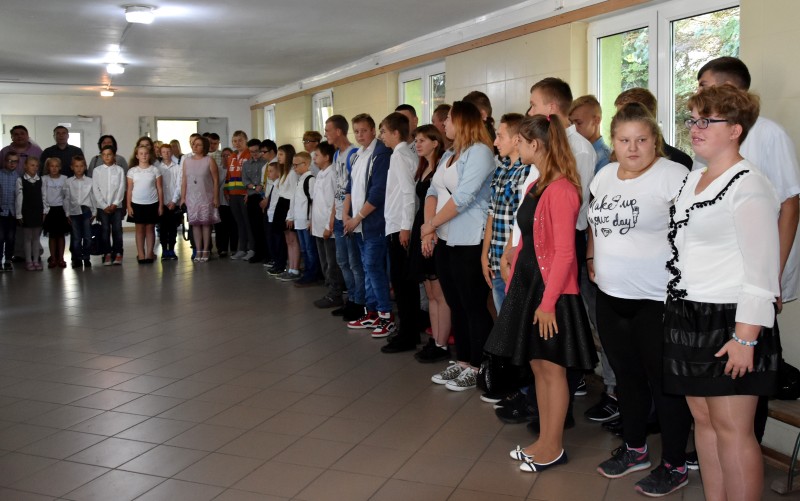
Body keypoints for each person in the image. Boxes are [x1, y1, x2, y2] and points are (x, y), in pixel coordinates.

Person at [664, 84, 780, 501]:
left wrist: (745, 339)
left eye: (707, 121)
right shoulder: (695, 178)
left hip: (732, 320)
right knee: (704, 422)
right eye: (693, 119)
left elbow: (762, 270)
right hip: (688, 314)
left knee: (733, 430)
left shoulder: (749, 184)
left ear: (735, 129)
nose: (695, 128)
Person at [587, 103, 693, 497]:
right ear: (613, 142)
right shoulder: (604, 176)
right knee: (627, 379)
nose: (632, 148)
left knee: (664, 385)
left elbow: (693, 232)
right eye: (624, 140)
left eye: (641, 140)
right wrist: (591, 257)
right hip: (611, 296)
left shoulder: (673, 175)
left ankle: (675, 465)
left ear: (655, 141)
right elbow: (594, 224)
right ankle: (635, 450)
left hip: (657, 299)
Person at [696, 57, 800, 449]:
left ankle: (746, 444)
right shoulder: (710, 137)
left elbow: (790, 204)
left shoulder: (768, 133)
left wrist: (774, 277)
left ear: (729, 88)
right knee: (718, 371)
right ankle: (721, 443)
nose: (700, 93)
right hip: (718, 281)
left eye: (705, 85)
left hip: (757, 275)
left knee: (749, 367)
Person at [498, 114, 596, 473]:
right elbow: (530, 239)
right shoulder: (537, 185)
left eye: (520, 142)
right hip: (531, 287)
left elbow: (566, 254)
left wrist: (548, 303)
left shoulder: (562, 189)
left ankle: (553, 447)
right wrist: (513, 261)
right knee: (539, 367)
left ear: (535, 144)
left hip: (550, 292)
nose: (517, 147)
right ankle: (543, 440)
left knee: (552, 371)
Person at [422, 101, 495, 391]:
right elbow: (431, 191)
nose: (444, 123)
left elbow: (464, 197)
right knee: (456, 304)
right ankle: (463, 360)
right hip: (445, 237)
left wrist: (431, 224)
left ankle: (479, 365)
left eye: (449, 119)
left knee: (473, 305)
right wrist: (429, 228)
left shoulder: (480, 152)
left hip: (469, 239)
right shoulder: (449, 153)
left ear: (463, 122)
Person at [343, 114, 394, 337]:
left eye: (364, 130)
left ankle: (386, 315)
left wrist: (358, 217)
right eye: (356, 131)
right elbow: (350, 186)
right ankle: (371, 312)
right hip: (358, 224)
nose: (360, 135)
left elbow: (378, 192)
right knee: (366, 268)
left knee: (374, 268)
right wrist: (346, 214)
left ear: (373, 130)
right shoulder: (357, 155)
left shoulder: (381, 154)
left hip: (374, 224)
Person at [482, 113, 533, 313]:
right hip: (496, 259)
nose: (495, 142)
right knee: (502, 318)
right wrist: (485, 254)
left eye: (500, 136)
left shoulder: (526, 172)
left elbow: (520, 221)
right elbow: (492, 213)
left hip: (512, 260)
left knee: (515, 320)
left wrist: (507, 257)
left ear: (516, 139)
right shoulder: (502, 168)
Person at [379, 112, 421, 353]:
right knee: (404, 283)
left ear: (396, 133)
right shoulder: (403, 154)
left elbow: (408, 193)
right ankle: (408, 330)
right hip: (397, 225)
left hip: (400, 227)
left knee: (403, 284)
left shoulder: (399, 155)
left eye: (384, 131)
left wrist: (405, 227)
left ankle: (408, 334)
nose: (381, 136)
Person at [409, 125, 450, 363]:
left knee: (440, 292)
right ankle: (435, 339)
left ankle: (442, 343)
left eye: (422, 140)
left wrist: (430, 229)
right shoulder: (424, 168)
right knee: (431, 292)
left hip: (433, 230)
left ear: (435, 142)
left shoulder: (441, 168)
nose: (417, 144)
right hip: (422, 228)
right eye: (416, 140)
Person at [325, 115, 364, 320]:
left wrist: (349, 215)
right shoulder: (336, 156)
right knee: (342, 261)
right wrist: (333, 215)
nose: (326, 134)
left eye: (328, 130)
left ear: (338, 131)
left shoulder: (353, 154)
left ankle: (359, 302)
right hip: (339, 215)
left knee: (354, 262)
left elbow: (354, 189)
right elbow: (337, 189)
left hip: (350, 217)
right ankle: (351, 298)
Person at [613, 88, 693, 170]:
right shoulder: (613, 161)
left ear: (649, 117)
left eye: (627, 116)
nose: (618, 121)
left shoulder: (679, 162)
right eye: (618, 116)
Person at [311, 141, 345, 308]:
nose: (314, 158)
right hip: (318, 225)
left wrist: (328, 225)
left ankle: (335, 293)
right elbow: (317, 201)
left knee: (332, 263)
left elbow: (333, 202)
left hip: (327, 227)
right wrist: (312, 221)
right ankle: (331, 289)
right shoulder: (320, 174)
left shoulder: (332, 174)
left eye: (317, 155)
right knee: (324, 262)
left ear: (326, 157)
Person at [181, 136, 220, 262]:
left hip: (206, 196)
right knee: (195, 224)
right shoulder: (187, 161)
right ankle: (198, 250)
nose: (195, 146)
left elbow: (215, 180)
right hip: (192, 197)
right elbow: (184, 180)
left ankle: (206, 250)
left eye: (198, 144)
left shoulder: (209, 160)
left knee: (206, 224)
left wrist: (216, 197)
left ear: (204, 147)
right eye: (193, 144)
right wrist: (183, 197)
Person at [127, 146, 163, 264]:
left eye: (146, 153)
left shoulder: (155, 170)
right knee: (139, 229)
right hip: (137, 203)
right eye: (141, 153)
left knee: (150, 229)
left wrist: (160, 205)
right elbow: (129, 190)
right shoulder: (132, 171)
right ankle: (141, 254)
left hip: (152, 203)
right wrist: (129, 206)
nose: (144, 156)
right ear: (137, 156)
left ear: (149, 155)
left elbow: (159, 188)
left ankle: (149, 254)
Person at [92, 145, 126, 266]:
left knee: (117, 230)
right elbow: (95, 189)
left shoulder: (119, 170)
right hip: (103, 208)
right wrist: (103, 205)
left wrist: (115, 203)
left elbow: (121, 187)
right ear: (101, 156)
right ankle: (106, 253)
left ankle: (118, 253)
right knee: (105, 230)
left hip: (116, 206)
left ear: (114, 156)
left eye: (109, 154)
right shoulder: (97, 171)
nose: (106, 157)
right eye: (104, 155)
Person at [289, 152, 318, 286]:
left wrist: (311, 220)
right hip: (299, 221)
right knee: (304, 249)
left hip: (306, 222)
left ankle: (312, 274)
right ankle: (307, 272)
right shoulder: (299, 180)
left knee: (310, 249)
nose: (294, 168)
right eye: (293, 165)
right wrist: (291, 216)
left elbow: (314, 202)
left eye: (296, 165)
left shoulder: (310, 180)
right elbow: (295, 201)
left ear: (306, 164)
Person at [274, 144, 301, 281]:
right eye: (278, 154)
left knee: (292, 239)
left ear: (288, 155)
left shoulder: (292, 173)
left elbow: (294, 195)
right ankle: (290, 267)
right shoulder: (284, 172)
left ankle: (295, 269)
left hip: (288, 206)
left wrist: (291, 215)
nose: (278, 157)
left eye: (281, 154)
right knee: (287, 240)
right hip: (282, 204)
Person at [224, 131, 252, 261]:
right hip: (233, 195)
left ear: (246, 141)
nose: (237, 143)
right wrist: (226, 191)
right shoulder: (231, 156)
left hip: (244, 194)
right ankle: (241, 249)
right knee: (239, 223)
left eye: (240, 140)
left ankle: (251, 249)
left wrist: (248, 192)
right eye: (235, 141)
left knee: (248, 222)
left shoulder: (249, 155)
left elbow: (251, 176)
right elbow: (228, 175)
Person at [63, 156, 95, 269]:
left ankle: (86, 257)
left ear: (85, 167)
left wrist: (94, 211)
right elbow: (66, 198)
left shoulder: (90, 181)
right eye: (76, 166)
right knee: (76, 237)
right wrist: (67, 213)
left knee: (87, 236)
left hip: (86, 210)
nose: (79, 168)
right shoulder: (68, 182)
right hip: (74, 211)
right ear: (72, 167)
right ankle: (76, 258)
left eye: (81, 166)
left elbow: (93, 196)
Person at [569, 95, 611, 173]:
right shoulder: (574, 149)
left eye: (579, 123)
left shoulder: (606, 159)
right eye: (571, 123)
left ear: (596, 121)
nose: (573, 128)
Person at [16, 157, 44, 271]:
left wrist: (45, 210)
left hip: (38, 211)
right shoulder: (20, 180)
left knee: (36, 238)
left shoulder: (40, 180)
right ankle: (28, 261)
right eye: (32, 165)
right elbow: (19, 198)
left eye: (37, 166)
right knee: (27, 238)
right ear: (25, 166)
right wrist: (19, 214)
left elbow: (44, 196)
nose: (35, 168)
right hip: (26, 212)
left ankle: (36, 260)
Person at [41, 158, 70, 268]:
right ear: (48, 167)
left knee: (61, 236)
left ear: (60, 167)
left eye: (56, 166)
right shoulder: (44, 179)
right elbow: (43, 196)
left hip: (61, 210)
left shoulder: (64, 179)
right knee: (52, 236)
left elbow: (66, 196)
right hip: (49, 210)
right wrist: (44, 211)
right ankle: (53, 258)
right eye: (52, 166)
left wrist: (67, 212)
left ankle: (61, 258)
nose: (54, 168)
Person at [242, 138, 266, 263]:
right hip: (252, 197)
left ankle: (267, 253)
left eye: (256, 151)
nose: (254, 154)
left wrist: (261, 186)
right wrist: (254, 187)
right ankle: (258, 252)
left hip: (263, 197)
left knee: (263, 226)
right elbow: (245, 180)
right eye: (251, 152)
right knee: (254, 226)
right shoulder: (246, 164)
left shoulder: (265, 163)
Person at [157, 143, 182, 261]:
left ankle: (171, 249)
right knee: (162, 228)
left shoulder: (177, 167)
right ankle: (164, 250)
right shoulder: (157, 168)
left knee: (172, 228)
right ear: (160, 154)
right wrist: (161, 202)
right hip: (161, 203)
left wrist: (174, 200)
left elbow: (179, 185)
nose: (166, 154)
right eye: (164, 152)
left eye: (168, 151)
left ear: (171, 153)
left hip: (173, 202)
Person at [262, 161, 286, 276]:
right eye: (268, 171)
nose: (268, 174)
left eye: (271, 171)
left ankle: (280, 264)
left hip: (276, 217)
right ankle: (276, 262)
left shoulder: (280, 184)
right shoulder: (274, 184)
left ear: (278, 172)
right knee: (272, 241)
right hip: (270, 216)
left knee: (278, 242)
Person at [215, 145, 236, 258]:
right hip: (221, 201)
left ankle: (234, 248)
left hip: (233, 200)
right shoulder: (218, 169)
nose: (225, 158)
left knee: (233, 225)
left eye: (228, 155)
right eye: (223, 156)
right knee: (221, 226)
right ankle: (222, 248)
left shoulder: (235, 168)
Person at [0, 152, 20, 271]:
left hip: (13, 213)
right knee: (0, 237)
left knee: (11, 238)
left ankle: (8, 260)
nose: (12, 163)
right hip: (1, 212)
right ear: (5, 161)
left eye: (15, 161)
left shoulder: (18, 177)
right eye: (9, 161)